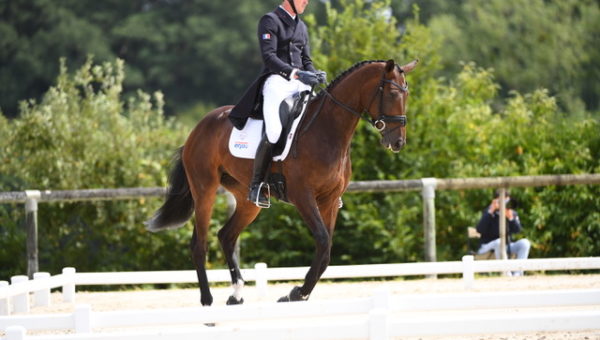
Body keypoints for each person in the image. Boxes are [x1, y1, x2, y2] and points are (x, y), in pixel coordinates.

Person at [229, 0, 325, 208]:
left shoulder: (302, 26)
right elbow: (269, 57)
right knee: (273, 132)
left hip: (300, 83)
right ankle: (256, 186)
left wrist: (314, 73)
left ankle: (327, 183)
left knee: (320, 118)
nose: (306, 2)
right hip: (276, 82)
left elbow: (306, 59)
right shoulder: (269, 21)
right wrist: (296, 73)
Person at [476, 190, 531, 276]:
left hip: (506, 246)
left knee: (525, 243)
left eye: (506, 201)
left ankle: (518, 274)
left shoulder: (511, 213)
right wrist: (491, 212)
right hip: (488, 246)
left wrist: (511, 218)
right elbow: (480, 229)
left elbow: (518, 230)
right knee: (499, 242)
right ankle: (506, 273)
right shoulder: (488, 212)